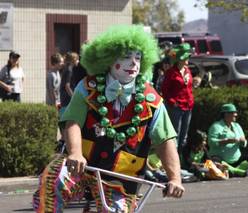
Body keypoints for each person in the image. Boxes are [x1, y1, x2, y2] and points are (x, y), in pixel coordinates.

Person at [33, 25, 184, 213]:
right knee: (53, 179)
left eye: (138, 57)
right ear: (110, 60)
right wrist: (75, 153)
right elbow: (72, 122)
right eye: (126, 57)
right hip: (82, 169)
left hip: (122, 179)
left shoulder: (152, 99)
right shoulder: (87, 87)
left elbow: (165, 140)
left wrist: (175, 178)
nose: (133, 63)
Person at [161, 43, 194, 155]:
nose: (188, 58)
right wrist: (172, 102)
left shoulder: (188, 71)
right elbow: (164, 90)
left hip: (188, 107)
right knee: (175, 134)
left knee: (184, 136)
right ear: (180, 59)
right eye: (186, 56)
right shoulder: (171, 72)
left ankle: (180, 160)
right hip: (176, 107)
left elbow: (189, 88)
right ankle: (172, 160)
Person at [207, 103, 248, 177]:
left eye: (235, 112)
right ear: (226, 114)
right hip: (221, 160)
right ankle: (236, 171)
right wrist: (226, 141)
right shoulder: (216, 126)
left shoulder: (237, 126)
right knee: (215, 162)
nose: (236, 114)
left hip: (236, 160)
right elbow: (211, 142)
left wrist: (243, 141)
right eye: (233, 113)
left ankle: (233, 170)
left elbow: (245, 142)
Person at [59, 52, 79, 116]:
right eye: (77, 59)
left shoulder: (67, 68)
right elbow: (67, 86)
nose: (78, 61)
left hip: (64, 98)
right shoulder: (69, 70)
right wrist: (74, 97)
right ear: (73, 60)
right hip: (67, 99)